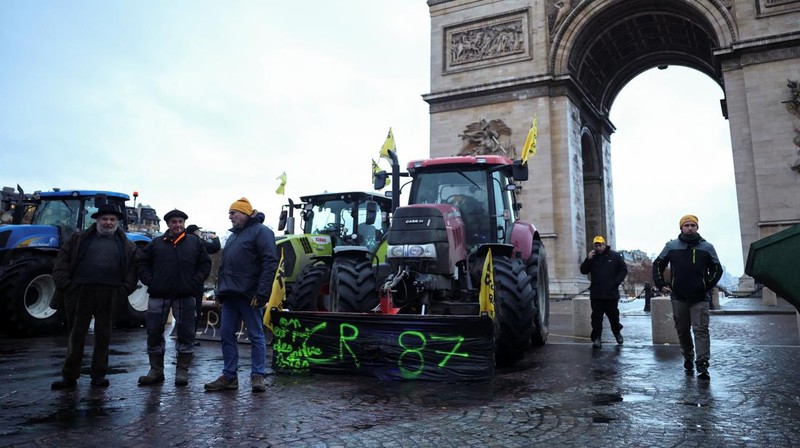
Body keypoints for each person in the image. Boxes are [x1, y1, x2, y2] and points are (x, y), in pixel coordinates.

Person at [50, 204, 139, 390]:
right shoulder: (77, 239)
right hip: (80, 291)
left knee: (104, 336)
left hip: (111, 293)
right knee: (76, 335)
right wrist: (67, 285)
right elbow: (61, 262)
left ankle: (98, 376)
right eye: (105, 219)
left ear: (117, 222)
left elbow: (132, 270)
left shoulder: (127, 245)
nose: (108, 223)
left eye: (112, 220)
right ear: (97, 220)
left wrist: (125, 289)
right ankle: (69, 377)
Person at [204, 197, 278, 393]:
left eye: (233, 213)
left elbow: (270, 263)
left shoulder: (262, 232)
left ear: (245, 213)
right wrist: (219, 292)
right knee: (227, 334)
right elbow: (225, 266)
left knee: (255, 335)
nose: (230, 217)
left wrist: (262, 293)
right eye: (229, 213)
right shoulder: (233, 236)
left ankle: (257, 376)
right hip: (229, 295)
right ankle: (229, 376)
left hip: (249, 295)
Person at [137, 209, 212, 387]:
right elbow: (141, 263)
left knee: (186, 334)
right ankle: (155, 371)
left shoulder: (195, 243)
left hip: (185, 296)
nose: (177, 225)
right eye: (174, 222)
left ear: (184, 223)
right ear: (168, 224)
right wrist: (150, 282)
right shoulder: (156, 243)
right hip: (158, 294)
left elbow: (205, 264)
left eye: (180, 222)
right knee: (153, 332)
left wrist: (194, 283)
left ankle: (182, 371)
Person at [653, 214, 722, 379]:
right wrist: (661, 283)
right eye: (687, 225)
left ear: (697, 227)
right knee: (682, 330)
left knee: (701, 330)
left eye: (693, 225)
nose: (690, 228)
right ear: (681, 228)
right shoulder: (671, 246)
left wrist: (706, 285)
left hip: (700, 298)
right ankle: (688, 355)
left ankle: (703, 362)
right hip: (678, 297)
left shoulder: (707, 247)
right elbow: (657, 264)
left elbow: (717, 269)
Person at [580, 235, 628, 348]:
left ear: (604, 245)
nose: (598, 247)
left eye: (600, 245)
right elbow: (583, 270)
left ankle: (617, 333)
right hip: (596, 294)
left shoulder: (614, 256)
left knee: (614, 318)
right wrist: (588, 259)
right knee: (596, 318)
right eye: (596, 245)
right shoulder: (592, 257)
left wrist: (616, 282)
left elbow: (623, 269)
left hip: (611, 294)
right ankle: (597, 338)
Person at [185, 223, 220, 333]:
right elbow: (215, 248)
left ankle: (184, 335)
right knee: (196, 307)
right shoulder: (197, 241)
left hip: (183, 280)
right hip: (196, 281)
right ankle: (191, 336)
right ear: (195, 232)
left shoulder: (183, 241)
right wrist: (215, 238)